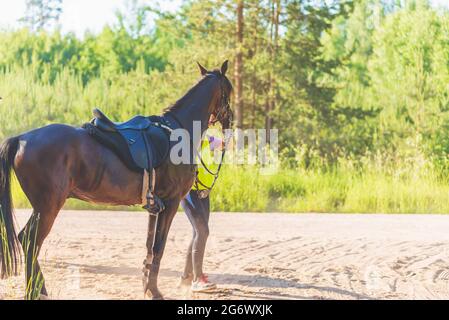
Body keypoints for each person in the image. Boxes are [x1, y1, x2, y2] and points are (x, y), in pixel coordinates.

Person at [179, 134, 224, 292]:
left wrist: (228, 136)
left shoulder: (208, 139)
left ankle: (186, 277)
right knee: (202, 231)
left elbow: (225, 146)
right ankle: (198, 279)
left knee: (198, 233)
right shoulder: (187, 138)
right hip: (189, 191)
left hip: (204, 192)